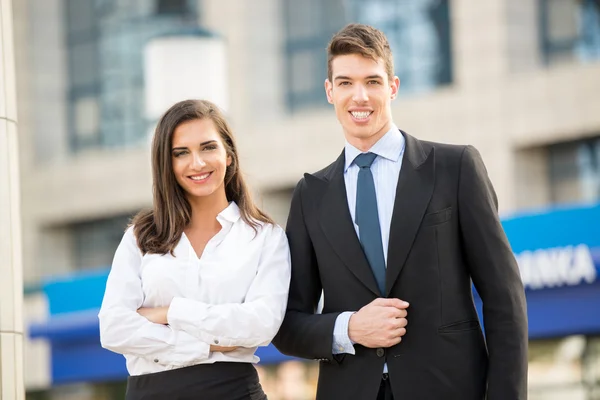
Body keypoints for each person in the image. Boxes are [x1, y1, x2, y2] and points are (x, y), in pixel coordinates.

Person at [272, 23, 528, 400]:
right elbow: (288, 324)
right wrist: (350, 328)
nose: (359, 96)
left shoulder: (454, 167)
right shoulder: (311, 195)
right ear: (330, 91)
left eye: (372, 81)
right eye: (345, 83)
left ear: (392, 86)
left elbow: (504, 296)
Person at [99, 99, 291, 400]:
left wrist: (169, 312)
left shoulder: (265, 237)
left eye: (208, 147)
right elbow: (114, 328)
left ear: (228, 154)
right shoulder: (140, 236)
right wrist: (208, 345)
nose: (197, 163)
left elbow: (260, 325)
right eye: (181, 153)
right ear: (167, 163)